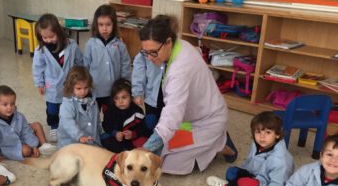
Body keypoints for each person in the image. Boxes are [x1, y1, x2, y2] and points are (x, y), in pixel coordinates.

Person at [139, 15, 237, 175]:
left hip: (208, 121)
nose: (149, 58)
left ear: (168, 42)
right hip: (191, 119)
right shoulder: (180, 45)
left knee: (168, 162)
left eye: (153, 52)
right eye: (146, 52)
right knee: (163, 149)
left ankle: (221, 145)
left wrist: (144, 149)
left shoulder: (180, 69)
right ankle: (214, 141)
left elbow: (172, 114)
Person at [206, 111, 293, 186]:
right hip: (255, 174)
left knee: (242, 185)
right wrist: (244, 174)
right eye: (258, 132)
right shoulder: (257, 143)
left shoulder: (280, 160)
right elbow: (250, 160)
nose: (262, 137)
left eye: (268, 132)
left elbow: (277, 184)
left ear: (277, 134)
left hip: (267, 185)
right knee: (231, 172)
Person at [33, 13, 84, 143]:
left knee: (69, 106)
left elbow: (79, 61)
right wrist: (39, 83)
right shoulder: (41, 50)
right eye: (45, 37)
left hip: (70, 84)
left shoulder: (71, 45)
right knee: (52, 109)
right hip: (52, 86)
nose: (49, 40)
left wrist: (81, 76)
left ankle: (69, 126)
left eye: (51, 36)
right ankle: (54, 126)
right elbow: (37, 68)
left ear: (59, 31)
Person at [0, 85, 57, 161]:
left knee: (37, 125)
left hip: (19, 137)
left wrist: (34, 145)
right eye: (5, 104)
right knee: (26, 151)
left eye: (12, 104)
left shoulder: (19, 116)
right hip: (7, 146)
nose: (9, 107)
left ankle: (44, 146)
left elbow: (26, 131)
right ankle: (33, 147)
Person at [84, 4, 131, 113]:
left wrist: (126, 86)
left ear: (114, 24)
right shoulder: (90, 44)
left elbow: (126, 66)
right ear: (96, 25)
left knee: (111, 116)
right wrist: (85, 86)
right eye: (101, 25)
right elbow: (85, 66)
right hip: (95, 89)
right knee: (93, 114)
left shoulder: (120, 45)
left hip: (113, 91)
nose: (104, 28)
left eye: (108, 24)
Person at [101, 78, 152, 153]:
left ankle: (128, 151)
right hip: (116, 138)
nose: (120, 101)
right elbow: (106, 126)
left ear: (131, 97)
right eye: (116, 98)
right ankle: (122, 152)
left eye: (124, 97)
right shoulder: (111, 110)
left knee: (145, 142)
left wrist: (133, 134)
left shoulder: (136, 110)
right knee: (103, 138)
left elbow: (143, 128)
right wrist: (115, 133)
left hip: (132, 139)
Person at [57, 66, 102, 148]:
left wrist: (99, 132)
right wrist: (79, 136)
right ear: (71, 87)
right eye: (79, 88)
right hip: (70, 143)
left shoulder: (93, 101)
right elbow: (68, 123)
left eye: (86, 88)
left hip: (91, 141)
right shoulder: (67, 104)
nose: (83, 91)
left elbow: (96, 120)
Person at [131, 52, 165, 131]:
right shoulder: (142, 55)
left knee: (167, 125)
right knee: (151, 124)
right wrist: (137, 92)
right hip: (152, 98)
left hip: (170, 98)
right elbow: (138, 74)